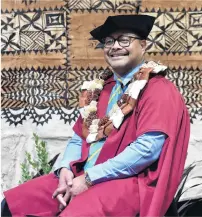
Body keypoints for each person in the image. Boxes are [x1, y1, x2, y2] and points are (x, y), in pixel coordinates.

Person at [2, 14, 190, 217]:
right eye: (109, 41)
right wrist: (64, 169)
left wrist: (91, 177)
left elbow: (146, 150)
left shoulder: (158, 89)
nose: (115, 46)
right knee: (14, 204)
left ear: (143, 45)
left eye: (124, 40)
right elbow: (79, 138)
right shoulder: (101, 90)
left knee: (76, 213)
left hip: (129, 181)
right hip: (83, 174)